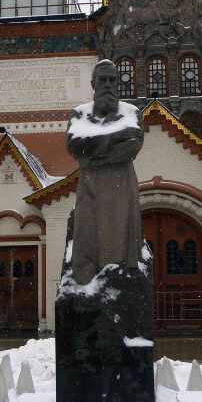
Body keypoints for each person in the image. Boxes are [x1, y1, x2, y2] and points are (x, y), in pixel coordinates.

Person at [66, 59, 144, 285]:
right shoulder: (79, 114)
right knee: (87, 232)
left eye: (112, 80)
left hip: (122, 186)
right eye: (103, 80)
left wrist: (92, 152)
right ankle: (88, 279)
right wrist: (115, 138)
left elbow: (131, 147)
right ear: (93, 83)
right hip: (90, 187)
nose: (108, 85)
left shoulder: (131, 112)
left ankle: (117, 276)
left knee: (119, 236)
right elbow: (75, 146)